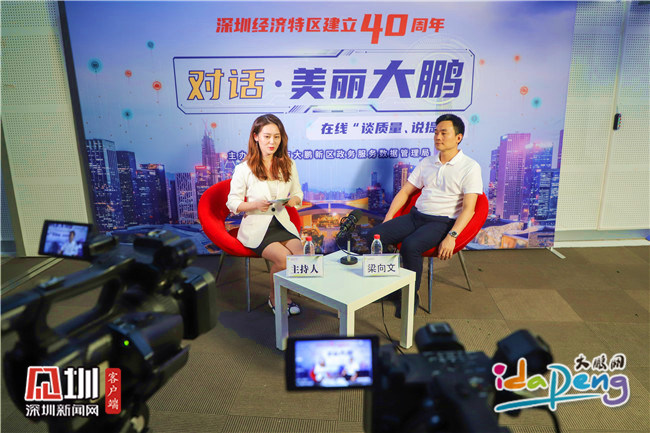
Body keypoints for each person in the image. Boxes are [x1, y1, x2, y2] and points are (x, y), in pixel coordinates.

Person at [369, 114, 483, 318]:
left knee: (411, 246)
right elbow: (405, 192)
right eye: (436, 132)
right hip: (416, 216)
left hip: (442, 222)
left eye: (444, 133)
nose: (438, 137)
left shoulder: (470, 167)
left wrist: (452, 236)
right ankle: (390, 287)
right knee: (374, 236)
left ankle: (410, 294)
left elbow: (469, 208)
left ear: (458, 137)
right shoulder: (427, 162)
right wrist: (389, 218)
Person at [227, 114, 304, 316]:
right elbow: (232, 203)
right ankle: (275, 298)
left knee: (300, 257)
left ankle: (286, 293)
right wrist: (254, 205)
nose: (272, 142)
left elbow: (298, 193)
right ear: (256, 137)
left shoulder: (288, 164)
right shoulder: (243, 169)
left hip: (281, 222)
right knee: (284, 259)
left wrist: (293, 200)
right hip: (257, 227)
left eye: (276, 137)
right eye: (267, 136)